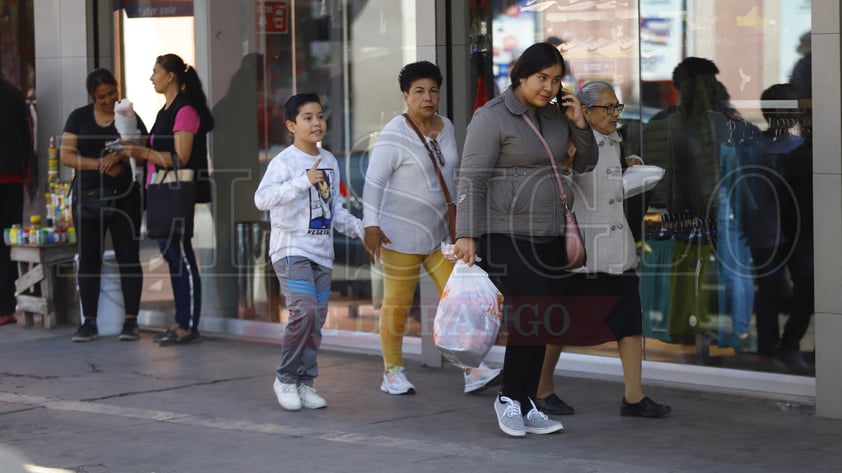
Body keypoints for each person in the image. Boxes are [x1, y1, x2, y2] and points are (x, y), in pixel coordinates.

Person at [452, 42, 598, 437]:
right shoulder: (492, 117)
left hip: (549, 230)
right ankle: (508, 398)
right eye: (541, 78)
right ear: (521, 75)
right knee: (532, 314)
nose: (548, 87)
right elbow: (472, 177)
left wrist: (579, 124)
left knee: (546, 318)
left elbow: (586, 163)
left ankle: (527, 399)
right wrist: (466, 233)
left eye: (555, 80)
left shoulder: (555, 117)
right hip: (505, 232)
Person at [362, 60, 502, 395]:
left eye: (433, 90)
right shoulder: (395, 134)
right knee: (397, 306)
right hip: (399, 234)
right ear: (406, 96)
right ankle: (392, 372)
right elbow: (374, 183)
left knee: (460, 303)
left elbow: (453, 176)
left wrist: (463, 223)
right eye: (419, 91)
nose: (428, 97)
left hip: (441, 235)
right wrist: (371, 225)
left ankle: (471, 369)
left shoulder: (447, 126)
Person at [535, 81, 671, 418]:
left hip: (617, 246)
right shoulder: (571, 141)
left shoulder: (614, 138)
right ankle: (541, 389)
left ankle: (635, 396)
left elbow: (608, 186)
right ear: (584, 110)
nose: (614, 114)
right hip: (582, 249)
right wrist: (565, 166)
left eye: (616, 107)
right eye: (606, 108)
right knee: (559, 324)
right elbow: (560, 189)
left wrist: (630, 169)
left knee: (629, 320)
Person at [254, 93, 364, 411]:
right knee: (303, 310)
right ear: (291, 125)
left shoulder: (330, 161)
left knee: (315, 321)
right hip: (290, 248)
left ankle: (305, 382)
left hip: (321, 252)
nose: (316, 123)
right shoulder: (284, 162)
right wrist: (302, 182)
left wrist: (364, 230)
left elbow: (336, 212)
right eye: (307, 117)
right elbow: (262, 199)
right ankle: (286, 379)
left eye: (319, 116)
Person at [120, 54, 214, 345]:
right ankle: (180, 320)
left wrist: (141, 153)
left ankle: (189, 324)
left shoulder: (185, 110)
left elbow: (180, 158)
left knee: (182, 256)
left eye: (155, 72)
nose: (152, 78)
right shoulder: (165, 110)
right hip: (159, 190)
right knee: (171, 256)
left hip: (176, 191)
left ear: (171, 76)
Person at [60, 68, 147, 342]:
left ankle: (131, 320)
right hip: (88, 197)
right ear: (92, 97)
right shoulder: (79, 118)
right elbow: (66, 155)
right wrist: (98, 164)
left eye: (112, 93)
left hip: (124, 197)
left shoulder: (128, 115)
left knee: (128, 257)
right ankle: (89, 321)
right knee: (88, 259)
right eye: (102, 97)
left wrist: (120, 159)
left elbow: (142, 154)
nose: (109, 100)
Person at [743, 83, 813, 374]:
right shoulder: (755, 148)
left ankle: (787, 344)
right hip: (768, 230)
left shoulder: (800, 147)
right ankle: (768, 349)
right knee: (770, 290)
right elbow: (747, 191)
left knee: (806, 288)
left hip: (796, 231)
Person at [0, 72, 33, 327]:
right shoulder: (13, 93)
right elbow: (27, 137)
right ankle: (7, 307)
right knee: (8, 242)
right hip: (13, 178)